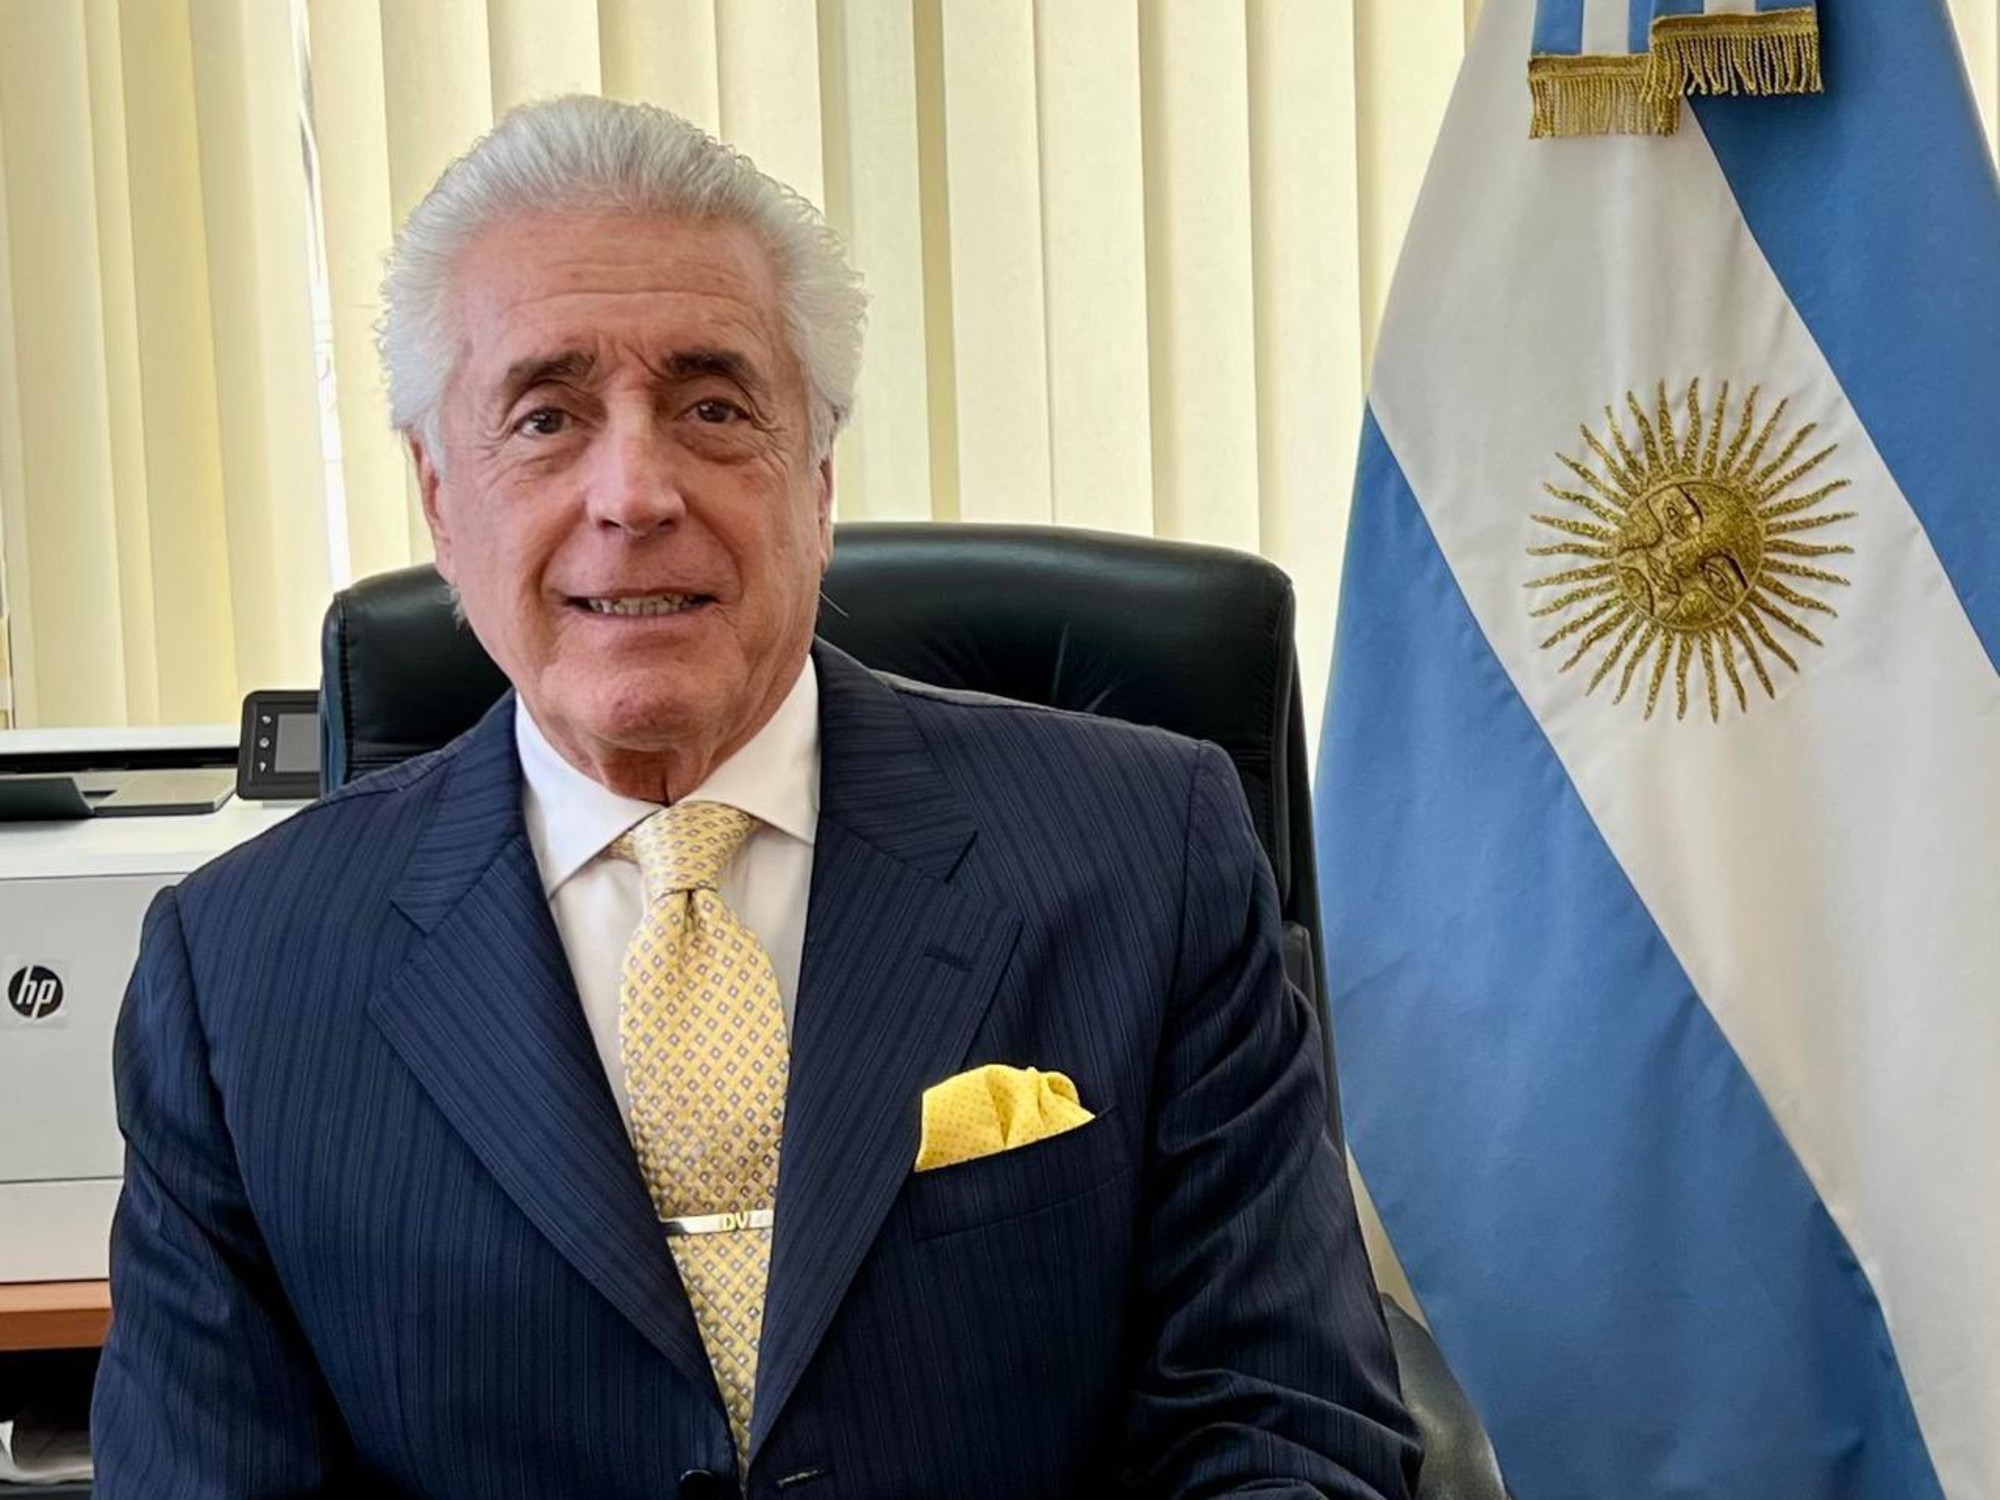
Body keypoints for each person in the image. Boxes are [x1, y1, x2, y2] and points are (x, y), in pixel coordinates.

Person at [91, 96, 1419, 1500]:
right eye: (545, 418)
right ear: (439, 496)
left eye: (712, 408)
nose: (635, 492)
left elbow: (1287, 1434)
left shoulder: (1152, 856)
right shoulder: (239, 976)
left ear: (818, 478)